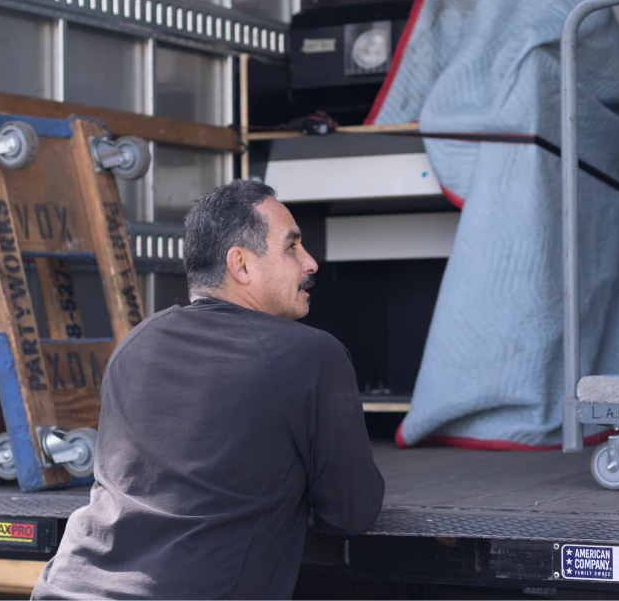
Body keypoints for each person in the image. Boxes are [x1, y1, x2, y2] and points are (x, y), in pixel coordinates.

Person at [31, 179, 386, 601]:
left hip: (67, 588)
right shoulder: (311, 355)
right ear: (241, 265)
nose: (309, 263)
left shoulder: (136, 344)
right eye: (291, 247)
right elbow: (350, 511)